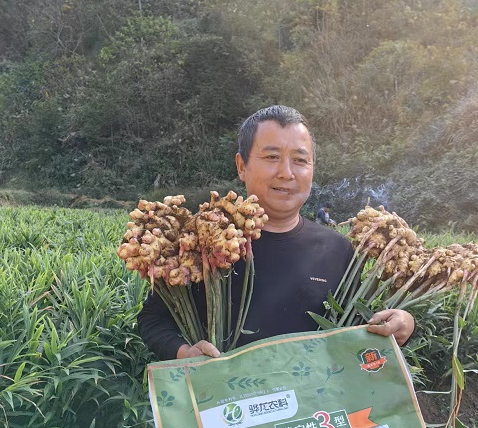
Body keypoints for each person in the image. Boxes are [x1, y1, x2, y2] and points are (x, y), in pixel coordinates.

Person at [138, 105, 414, 360]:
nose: (286, 173)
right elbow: (153, 320)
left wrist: (402, 323)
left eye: (300, 160)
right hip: (227, 394)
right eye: (272, 157)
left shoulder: (338, 249)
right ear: (242, 166)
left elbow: (358, 327)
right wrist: (184, 352)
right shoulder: (202, 243)